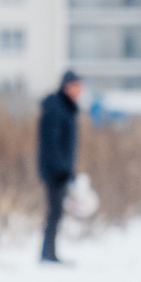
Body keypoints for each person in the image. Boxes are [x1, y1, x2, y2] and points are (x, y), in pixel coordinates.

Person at [37, 70, 82, 263]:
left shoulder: (65, 107)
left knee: (56, 212)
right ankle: (48, 254)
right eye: (77, 85)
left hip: (61, 170)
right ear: (67, 85)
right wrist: (61, 169)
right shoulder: (57, 107)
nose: (80, 90)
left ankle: (49, 253)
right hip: (55, 171)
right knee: (54, 213)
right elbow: (52, 143)